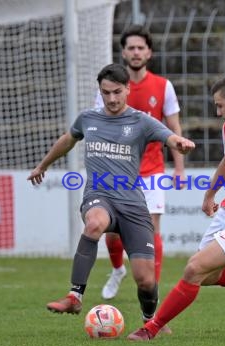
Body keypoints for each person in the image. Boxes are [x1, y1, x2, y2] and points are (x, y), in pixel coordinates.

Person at [28, 63, 195, 325]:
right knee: (94, 224)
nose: (112, 99)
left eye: (117, 92)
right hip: (99, 194)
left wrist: (180, 144)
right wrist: (43, 165)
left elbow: (168, 136)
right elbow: (67, 140)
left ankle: (150, 320)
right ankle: (75, 296)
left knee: (145, 279)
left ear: (128, 89)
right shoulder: (88, 119)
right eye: (106, 93)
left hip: (132, 202)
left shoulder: (141, 120)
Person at [126, 72, 225, 341]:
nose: (218, 112)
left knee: (193, 269)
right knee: (208, 276)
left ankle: (150, 328)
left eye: (220, 105)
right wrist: (209, 195)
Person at [94, 25, 186, 301]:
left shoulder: (163, 86)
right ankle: (118, 269)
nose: (135, 52)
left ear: (149, 52)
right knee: (112, 235)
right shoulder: (109, 88)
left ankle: (152, 297)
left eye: (140, 48)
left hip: (151, 171)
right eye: (131, 48)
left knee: (152, 231)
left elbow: (174, 129)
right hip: (116, 173)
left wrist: (179, 167)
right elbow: (96, 128)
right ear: (123, 52)